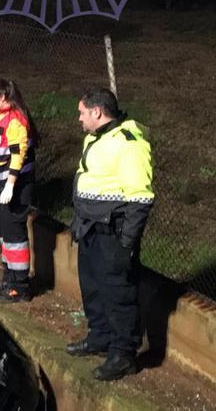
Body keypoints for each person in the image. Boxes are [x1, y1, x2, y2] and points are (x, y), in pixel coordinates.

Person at [66, 88, 153, 381]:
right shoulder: (95, 138)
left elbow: (140, 197)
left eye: (82, 113)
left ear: (97, 112)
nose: (78, 118)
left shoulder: (129, 144)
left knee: (118, 293)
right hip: (90, 228)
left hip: (112, 233)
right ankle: (100, 336)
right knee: (92, 287)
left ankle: (123, 354)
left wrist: (127, 241)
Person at [0, 78, 36, 303]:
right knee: (5, 233)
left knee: (15, 236)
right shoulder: (1, 115)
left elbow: (18, 154)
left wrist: (10, 183)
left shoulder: (15, 121)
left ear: (3, 98)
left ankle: (19, 287)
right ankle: (9, 279)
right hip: (3, 182)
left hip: (16, 186)